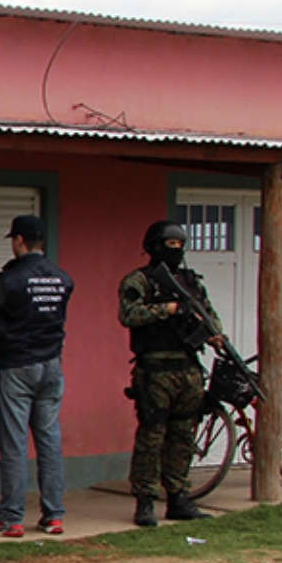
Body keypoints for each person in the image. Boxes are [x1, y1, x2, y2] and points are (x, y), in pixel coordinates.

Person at [0, 215, 74, 537]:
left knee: (14, 442)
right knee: (49, 440)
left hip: (17, 365)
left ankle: (11, 517)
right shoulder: (62, 278)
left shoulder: (12, 278)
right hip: (52, 364)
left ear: (18, 240)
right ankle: (53, 515)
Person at [119, 219, 223, 527]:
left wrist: (214, 334)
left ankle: (178, 496)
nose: (175, 251)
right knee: (152, 436)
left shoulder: (190, 282)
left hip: (187, 368)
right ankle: (145, 500)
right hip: (155, 370)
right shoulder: (140, 281)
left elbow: (209, 314)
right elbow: (128, 314)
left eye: (180, 246)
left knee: (183, 435)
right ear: (154, 247)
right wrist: (169, 309)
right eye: (170, 245)